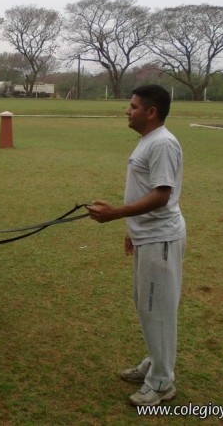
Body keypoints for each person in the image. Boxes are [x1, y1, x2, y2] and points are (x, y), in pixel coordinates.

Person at [87, 84, 186, 407]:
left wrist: (117, 213)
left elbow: (161, 195)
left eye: (133, 106)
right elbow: (147, 189)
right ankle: (155, 362)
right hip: (147, 236)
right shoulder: (149, 140)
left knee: (158, 309)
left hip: (161, 239)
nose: (127, 111)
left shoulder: (162, 144)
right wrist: (132, 228)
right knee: (147, 304)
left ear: (151, 112)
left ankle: (162, 382)